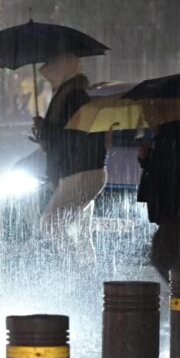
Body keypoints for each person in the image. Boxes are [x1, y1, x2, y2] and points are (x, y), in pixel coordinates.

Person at [32, 53, 107, 250]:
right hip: (83, 170)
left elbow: (71, 137)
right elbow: (64, 137)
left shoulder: (73, 98)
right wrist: (44, 133)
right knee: (80, 230)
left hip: (80, 172)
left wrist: (44, 129)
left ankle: (71, 266)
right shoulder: (70, 96)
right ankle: (84, 266)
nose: (51, 83)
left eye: (52, 78)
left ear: (62, 72)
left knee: (51, 224)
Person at [138, 120, 180, 279]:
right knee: (170, 260)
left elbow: (172, 172)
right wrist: (147, 158)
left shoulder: (174, 134)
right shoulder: (168, 135)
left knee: (165, 259)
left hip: (179, 212)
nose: (148, 119)